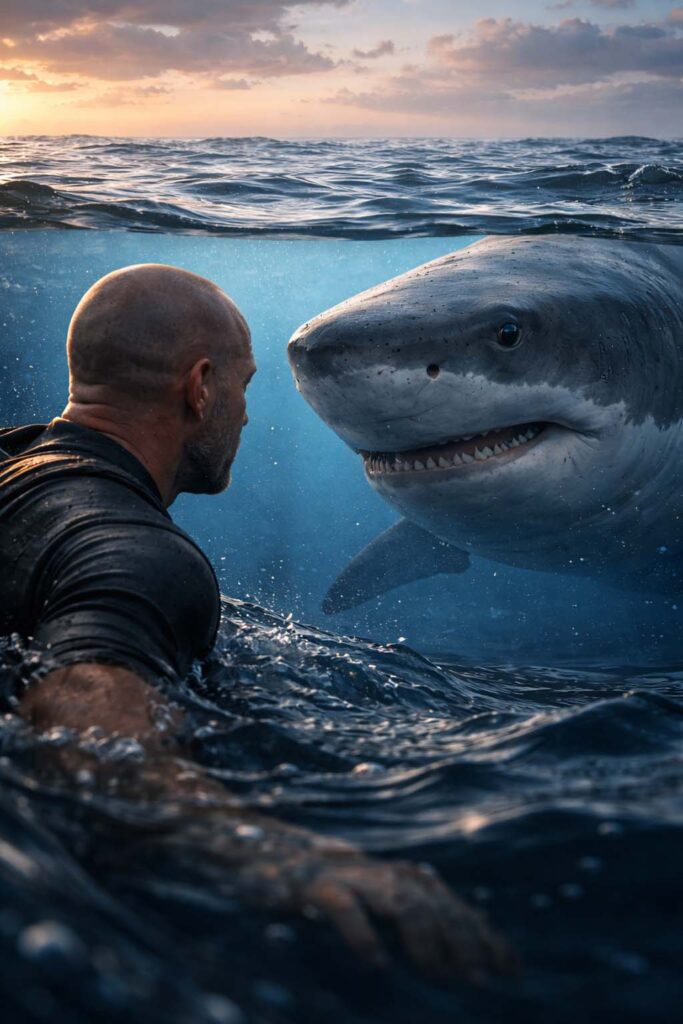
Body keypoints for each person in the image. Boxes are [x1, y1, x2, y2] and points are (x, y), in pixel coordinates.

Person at [0, 264, 510, 981]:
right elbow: (79, 713)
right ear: (200, 386)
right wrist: (267, 854)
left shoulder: (14, 461)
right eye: (243, 387)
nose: (245, 415)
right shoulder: (140, 553)